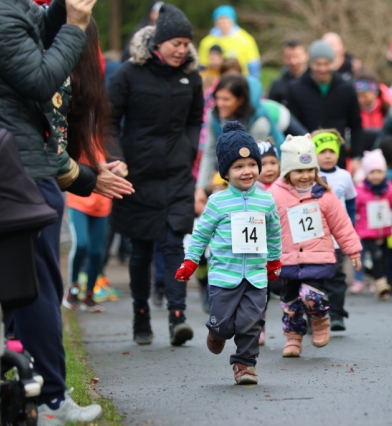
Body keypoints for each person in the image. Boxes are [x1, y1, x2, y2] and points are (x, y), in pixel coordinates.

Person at [0, 0, 126, 421]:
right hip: (15, 168)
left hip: (5, 162)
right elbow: (41, 78)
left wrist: (61, 11)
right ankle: (48, 397)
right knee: (35, 287)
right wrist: (77, 23)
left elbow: (32, 41)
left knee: (4, 292)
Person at [108, 4, 203, 346]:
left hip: (177, 174)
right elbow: (108, 120)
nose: (182, 49)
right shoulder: (128, 74)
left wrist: (189, 148)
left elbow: (196, 119)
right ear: (158, 42)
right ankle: (141, 315)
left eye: (186, 43)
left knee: (175, 242)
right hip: (137, 174)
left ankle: (178, 316)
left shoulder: (191, 76)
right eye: (176, 43)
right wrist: (116, 158)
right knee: (141, 249)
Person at [175, 121, 282, 385]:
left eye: (251, 165)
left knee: (251, 322)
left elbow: (274, 232)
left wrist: (274, 260)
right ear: (225, 171)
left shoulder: (266, 200)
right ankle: (217, 332)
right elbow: (201, 234)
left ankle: (245, 365)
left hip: (256, 276)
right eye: (238, 166)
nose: (247, 171)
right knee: (223, 324)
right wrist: (190, 261)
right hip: (224, 275)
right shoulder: (217, 202)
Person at [53, 18, 125, 313]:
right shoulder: (71, 108)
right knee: (81, 245)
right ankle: (72, 289)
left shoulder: (98, 118)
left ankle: (89, 293)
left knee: (96, 251)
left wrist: (118, 165)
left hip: (102, 192)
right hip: (79, 188)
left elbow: (110, 148)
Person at [269, 134, 362, 357]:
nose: (305, 176)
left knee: (312, 296)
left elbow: (341, 223)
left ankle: (320, 321)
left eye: (309, 170)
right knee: (290, 303)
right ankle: (293, 339)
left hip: (317, 256)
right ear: (287, 171)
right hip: (288, 258)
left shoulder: (324, 195)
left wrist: (352, 249)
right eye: (299, 171)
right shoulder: (274, 194)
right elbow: (265, 225)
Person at [195, 74, 283, 213]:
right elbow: (210, 151)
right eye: (217, 98)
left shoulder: (259, 122)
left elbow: (250, 163)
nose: (220, 104)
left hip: (269, 168)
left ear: (240, 100)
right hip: (241, 165)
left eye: (226, 99)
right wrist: (200, 188)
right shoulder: (214, 116)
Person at [286, 40, 364, 171]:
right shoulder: (296, 89)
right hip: (306, 158)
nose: (322, 69)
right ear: (310, 63)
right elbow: (291, 126)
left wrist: (357, 156)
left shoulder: (346, 88)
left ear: (332, 63)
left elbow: (356, 124)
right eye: (318, 64)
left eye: (326, 64)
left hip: (337, 156)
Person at [311, 129, 357, 330]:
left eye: (332, 150)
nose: (328, 155)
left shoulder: (345, 176)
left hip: (337, 239)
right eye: (322, 151)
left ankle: (338, 315)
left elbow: (351, 205)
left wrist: (351, 231)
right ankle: (313, 317)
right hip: (313, 238)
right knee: (314, 279)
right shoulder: (309, 176)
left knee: (337, 276)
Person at [355, 149, 392, 300]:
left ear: (384, 173)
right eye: (372, 172)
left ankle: (383, 281)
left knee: (385, 258)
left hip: (385, 231)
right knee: (376, 255)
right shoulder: (360, 190)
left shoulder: (390, 189)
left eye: (379, 172)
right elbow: (352, 208)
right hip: (366, 232)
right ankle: (380, 283)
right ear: (366, 173)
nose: (376, 176)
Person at [198, 5, 261, 79]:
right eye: (220, 20)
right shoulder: (207, 42)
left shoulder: (246, 40)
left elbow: (254, 65)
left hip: (240, 80)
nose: (223, 23)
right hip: (214, 81)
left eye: (226, 19)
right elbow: (202, 66)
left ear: (233, 20)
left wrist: (252, 82)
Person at [269, 39, 308, 106]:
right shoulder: (277, 85)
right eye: (289, 57)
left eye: (296, 56)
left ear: (306, 55)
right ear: (283, 58)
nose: (293, 61)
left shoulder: (316, 83)